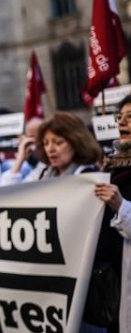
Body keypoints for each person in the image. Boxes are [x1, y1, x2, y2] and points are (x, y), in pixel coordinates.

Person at [93, 96, 131, 333]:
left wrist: (121, 206)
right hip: (113, 279)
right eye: (120, 117)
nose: (122, 123)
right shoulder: (111, 166)